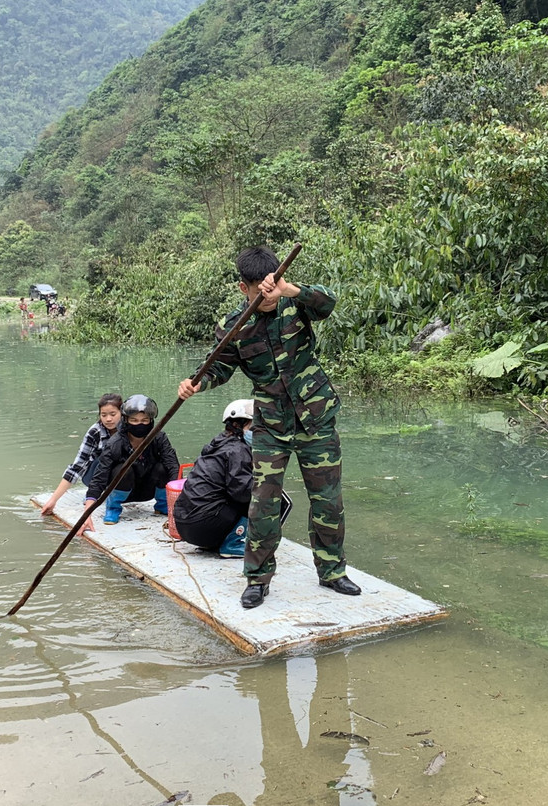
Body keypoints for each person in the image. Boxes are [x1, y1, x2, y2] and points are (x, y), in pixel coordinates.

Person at [178, 246, 360, 609]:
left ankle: (332, 571)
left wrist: (290, 289)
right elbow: (219, 367)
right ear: (242, 287)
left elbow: (328, 303)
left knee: (328, 501)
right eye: (257, 288)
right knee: (262, 504)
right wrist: (197, 383)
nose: (265, 294)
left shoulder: (296, 304)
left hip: (316, 416)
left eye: (271, 284)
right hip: (270, 426)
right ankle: (257, 579)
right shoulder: (234, 327)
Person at [172, 398, 292, 558]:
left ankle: (226, 540)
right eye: (254, 427)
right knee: (266, 495)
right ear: (237, 425)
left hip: (185, 526)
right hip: (203, 526)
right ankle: (234, 544)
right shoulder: (238, 451)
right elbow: (243, 492)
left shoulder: (218, 444)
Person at [85, 394, 179, 524]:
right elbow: (100, 477)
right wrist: (87, 513)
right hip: (123, 489)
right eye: (134, 420)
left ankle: (163, 505)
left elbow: (172, 464)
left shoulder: (159, 438)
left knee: (161, 468)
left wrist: (178, 498)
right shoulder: (115, 443)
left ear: (151, 421)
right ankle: (113, 508)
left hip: (148, 490)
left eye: (144, 420)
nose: (139, 424)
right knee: (123, 470)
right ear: (126, 420)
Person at [39, 393, 122, 517]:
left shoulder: (129, 429)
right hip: (95, 474)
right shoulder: (95, 432)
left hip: (122, 475)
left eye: (113, 414)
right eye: (103, 415)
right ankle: (96, 494)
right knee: (104, 460)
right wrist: (53, 501)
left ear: (122, 413)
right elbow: (76, 467)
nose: (108, 419)